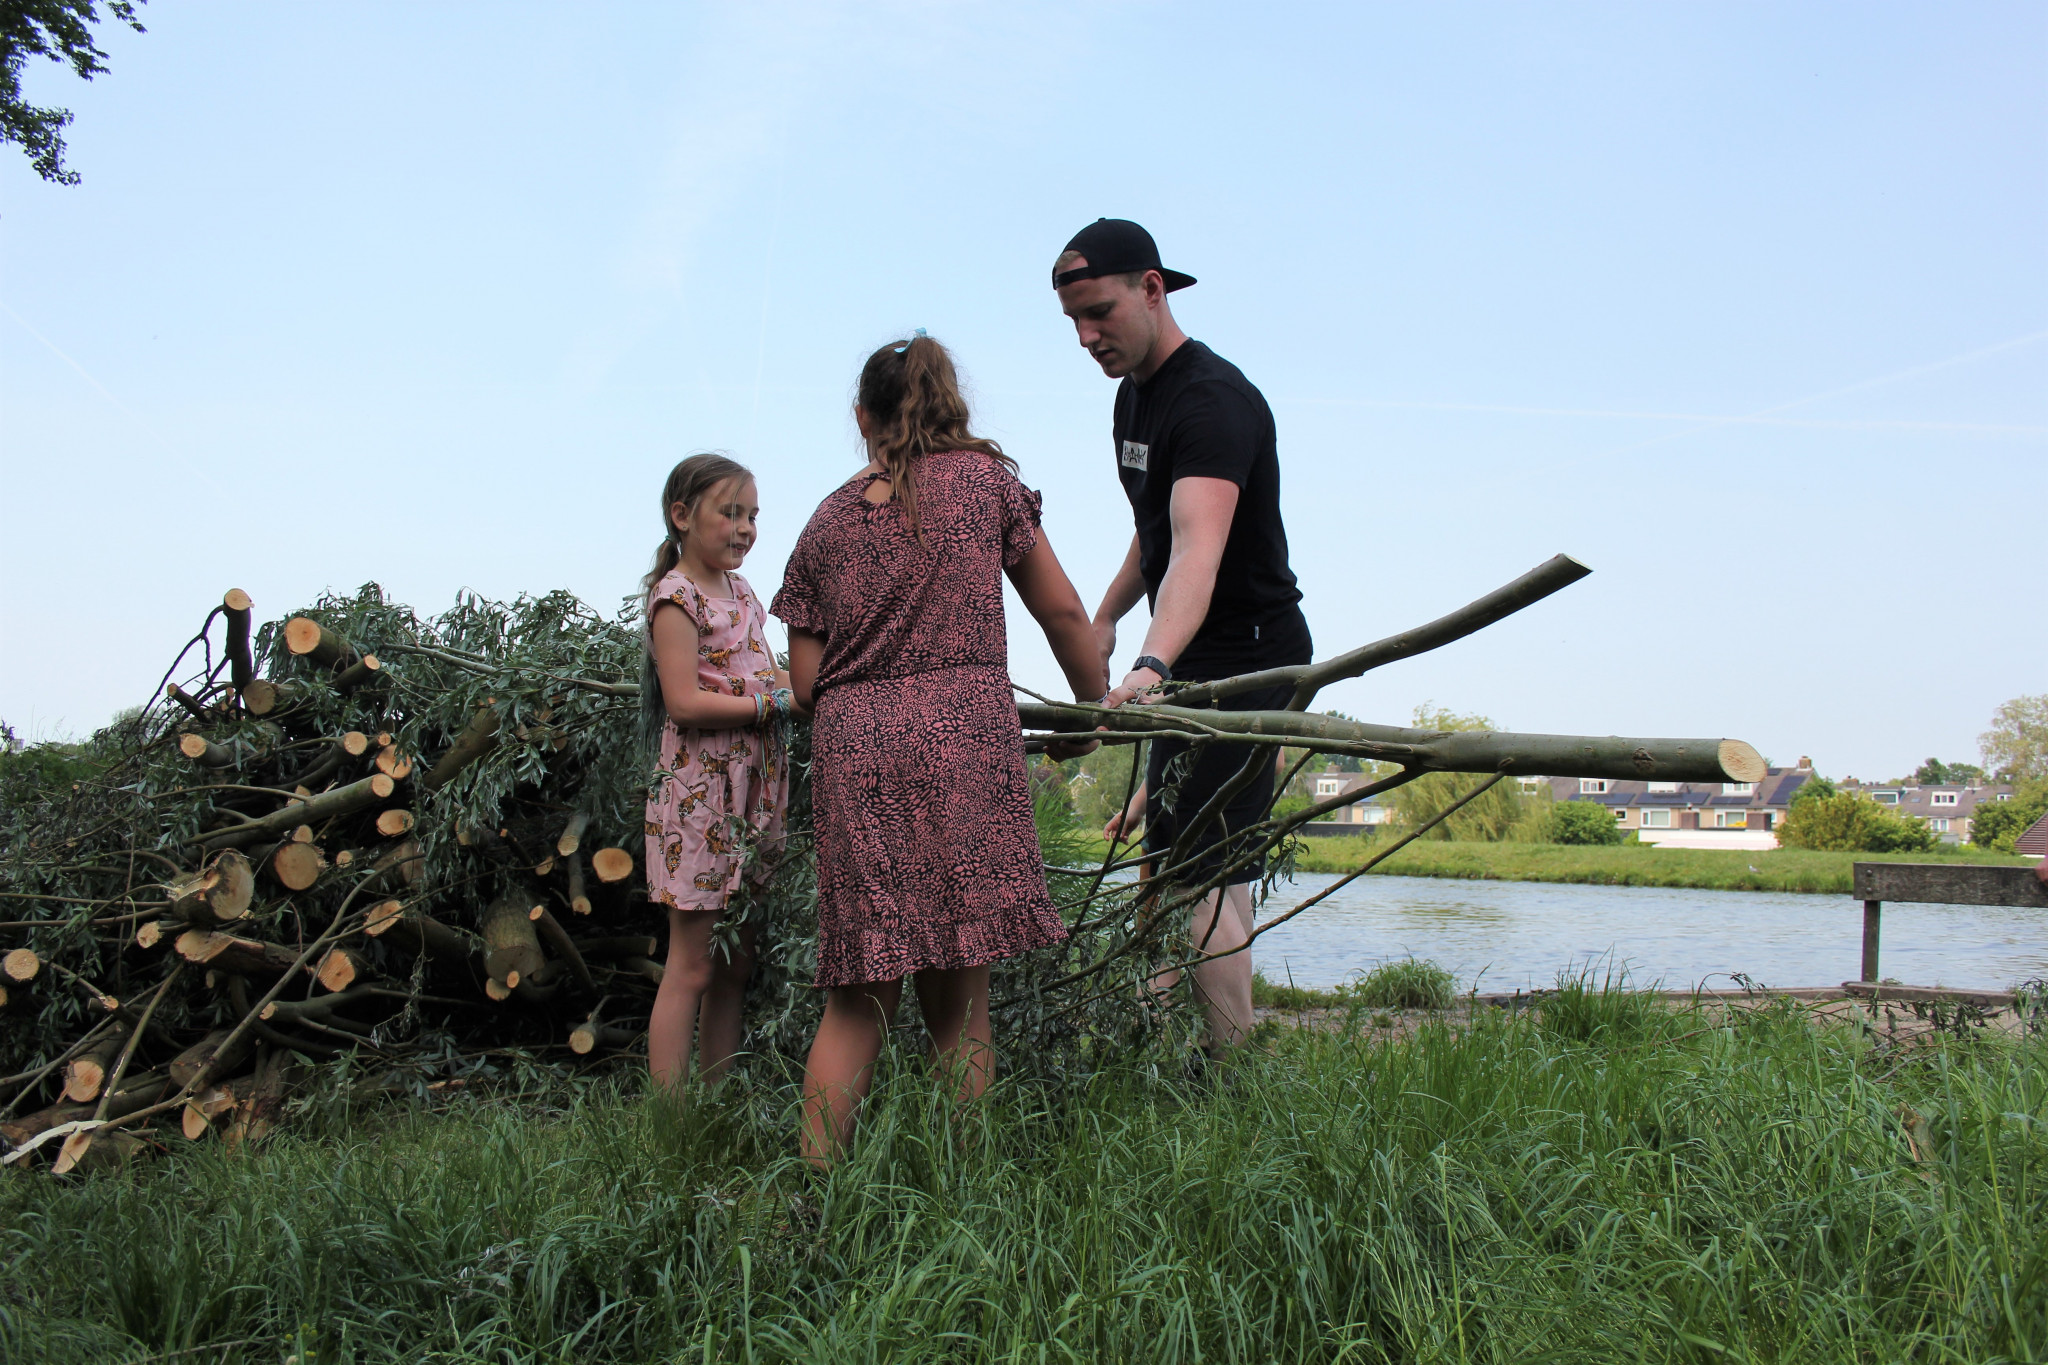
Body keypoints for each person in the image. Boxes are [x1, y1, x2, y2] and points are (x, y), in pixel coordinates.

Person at [772, 333, 1107, 1165]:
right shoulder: (986, 485)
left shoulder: (825, 522)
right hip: (963, 739)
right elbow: (1063, 613)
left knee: (858, 995)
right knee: (960, 1000)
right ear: (952, 402)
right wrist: (1093, 705)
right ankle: (961, 1191)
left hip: (858, 750)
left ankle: (816, 1194)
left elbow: (807, 683)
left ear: (862, 418)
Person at [1053, 218, 1312, 1056]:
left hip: (1248, 653)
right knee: (1168, 860)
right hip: (1189, 649)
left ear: (1153, 289)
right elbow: (1156, 530)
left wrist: (1149, 663)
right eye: (1074, 324)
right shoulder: (1134, 396)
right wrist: (1106, 612)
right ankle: (1152, 1044)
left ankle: (1229, 1069)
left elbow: (1200, 546)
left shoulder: (1211, 401)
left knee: (1206, 867)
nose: (1089, 338)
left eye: (1099, 314)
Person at [641, 453, 795, 1093]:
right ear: (682, 515)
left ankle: (717, 1101)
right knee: (693, 966)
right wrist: (771, 702)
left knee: (736, 960)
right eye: (729, 512)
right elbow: (683, 701)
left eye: (752, 515)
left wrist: (815, 684)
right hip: (701, 797)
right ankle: (670, 1125)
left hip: (757, 793)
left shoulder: (744, 593)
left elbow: (770, 674)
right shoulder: (674, 597)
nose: (745, 528)